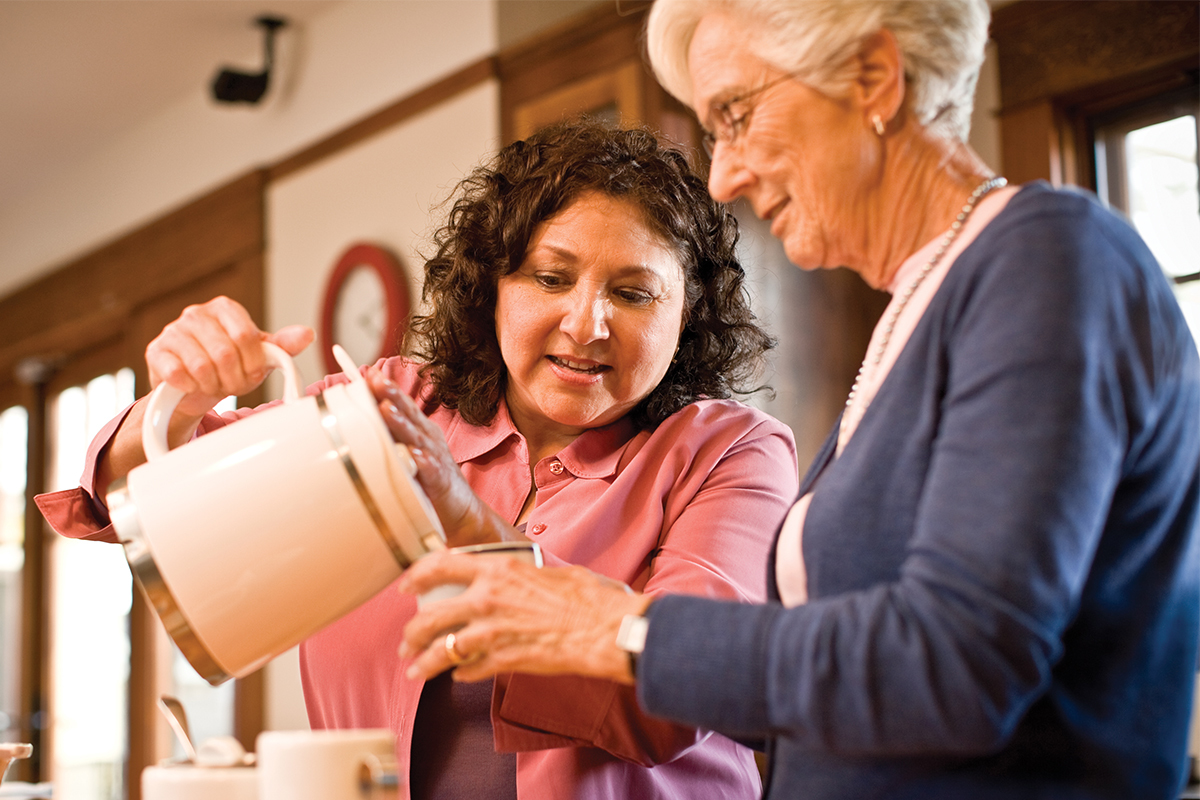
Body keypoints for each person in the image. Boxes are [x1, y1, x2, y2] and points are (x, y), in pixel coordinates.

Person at [395, 2, 1200, 799]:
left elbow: (958, 666)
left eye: (736, 116)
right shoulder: (922, 313)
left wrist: (614, 626)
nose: (725, 174)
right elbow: (815, 701)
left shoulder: (1046, 256)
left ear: (874, 78)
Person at [35, 120, 800, 799]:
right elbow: (138, 502)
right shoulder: (386, 407)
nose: (587, 323)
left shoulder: (728, 452)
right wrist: (181, 397)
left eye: (633, 294)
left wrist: (468, 524)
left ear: (687, 311)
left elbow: (690, 688)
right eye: (550, 277)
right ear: (493, 285)